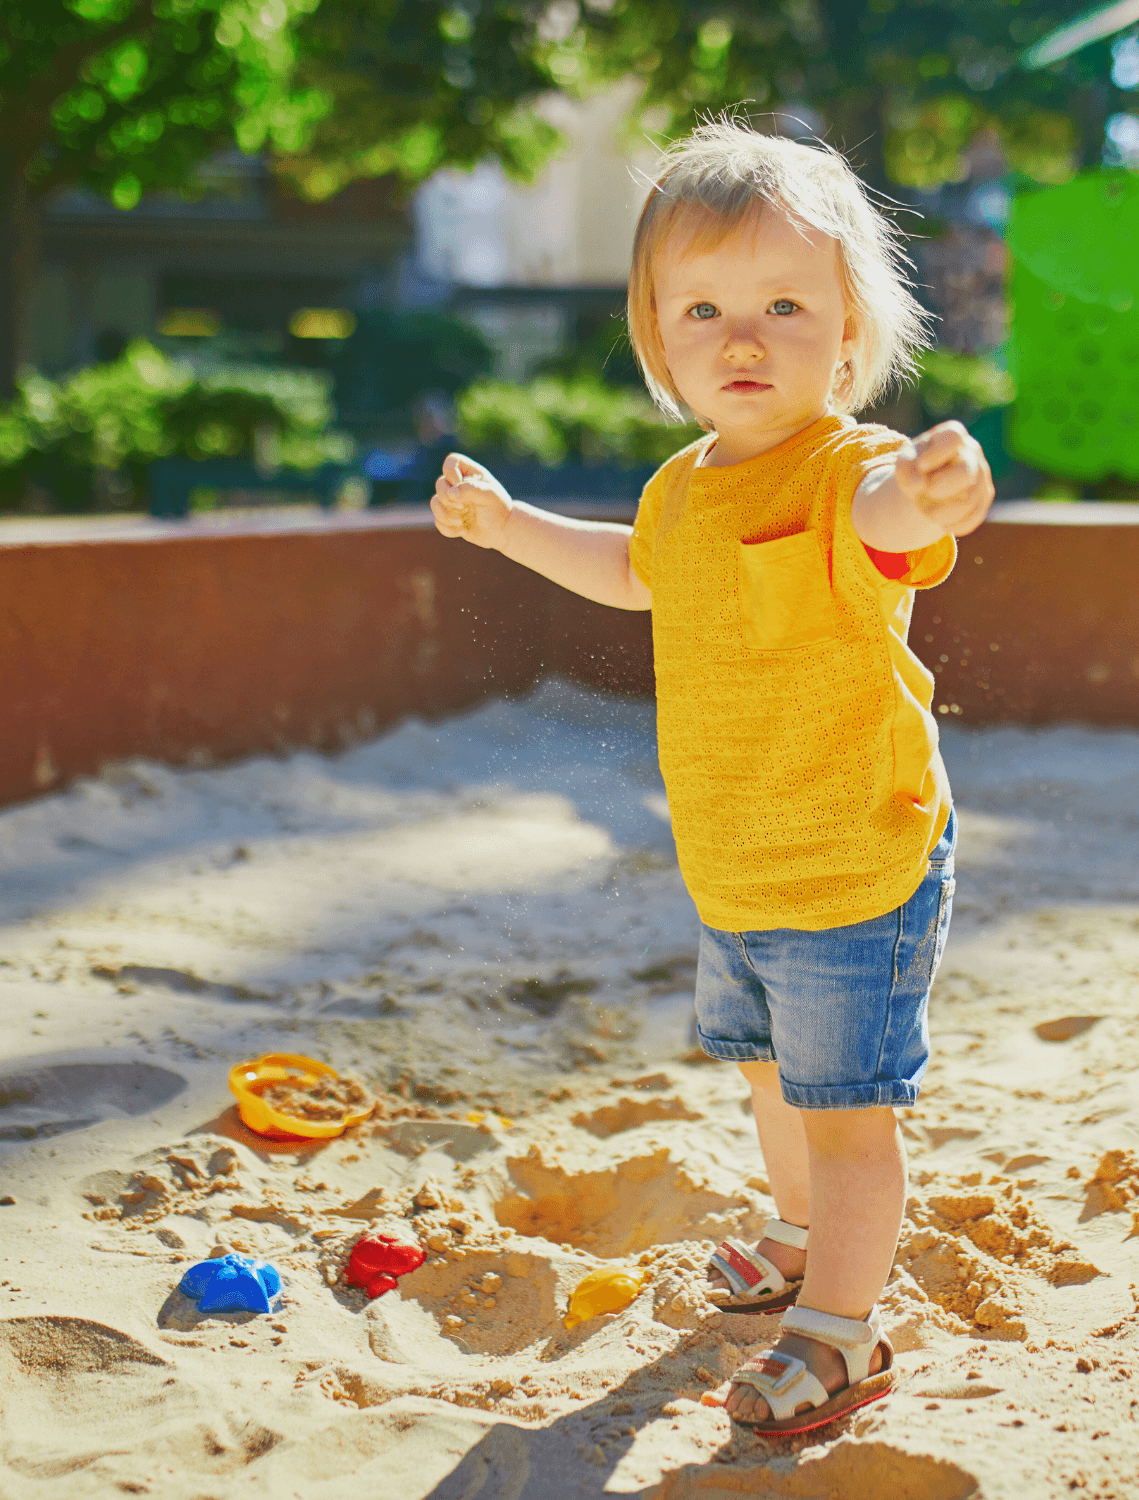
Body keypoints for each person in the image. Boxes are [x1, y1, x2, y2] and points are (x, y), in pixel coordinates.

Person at [430, 119, 992, 1436]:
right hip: (736, 866)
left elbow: (892, 526)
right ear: (658, 339)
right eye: (705, 310)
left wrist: (939, 489)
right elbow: (633, 572)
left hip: (857, 863)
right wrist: (509, 526)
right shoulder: (682, 493)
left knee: (848, 1114)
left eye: (785, 305)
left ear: (849, 335)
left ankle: (844, 1337)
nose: (743, 340)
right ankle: (800, 1240)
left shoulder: (852, 471)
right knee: (767, 1077)